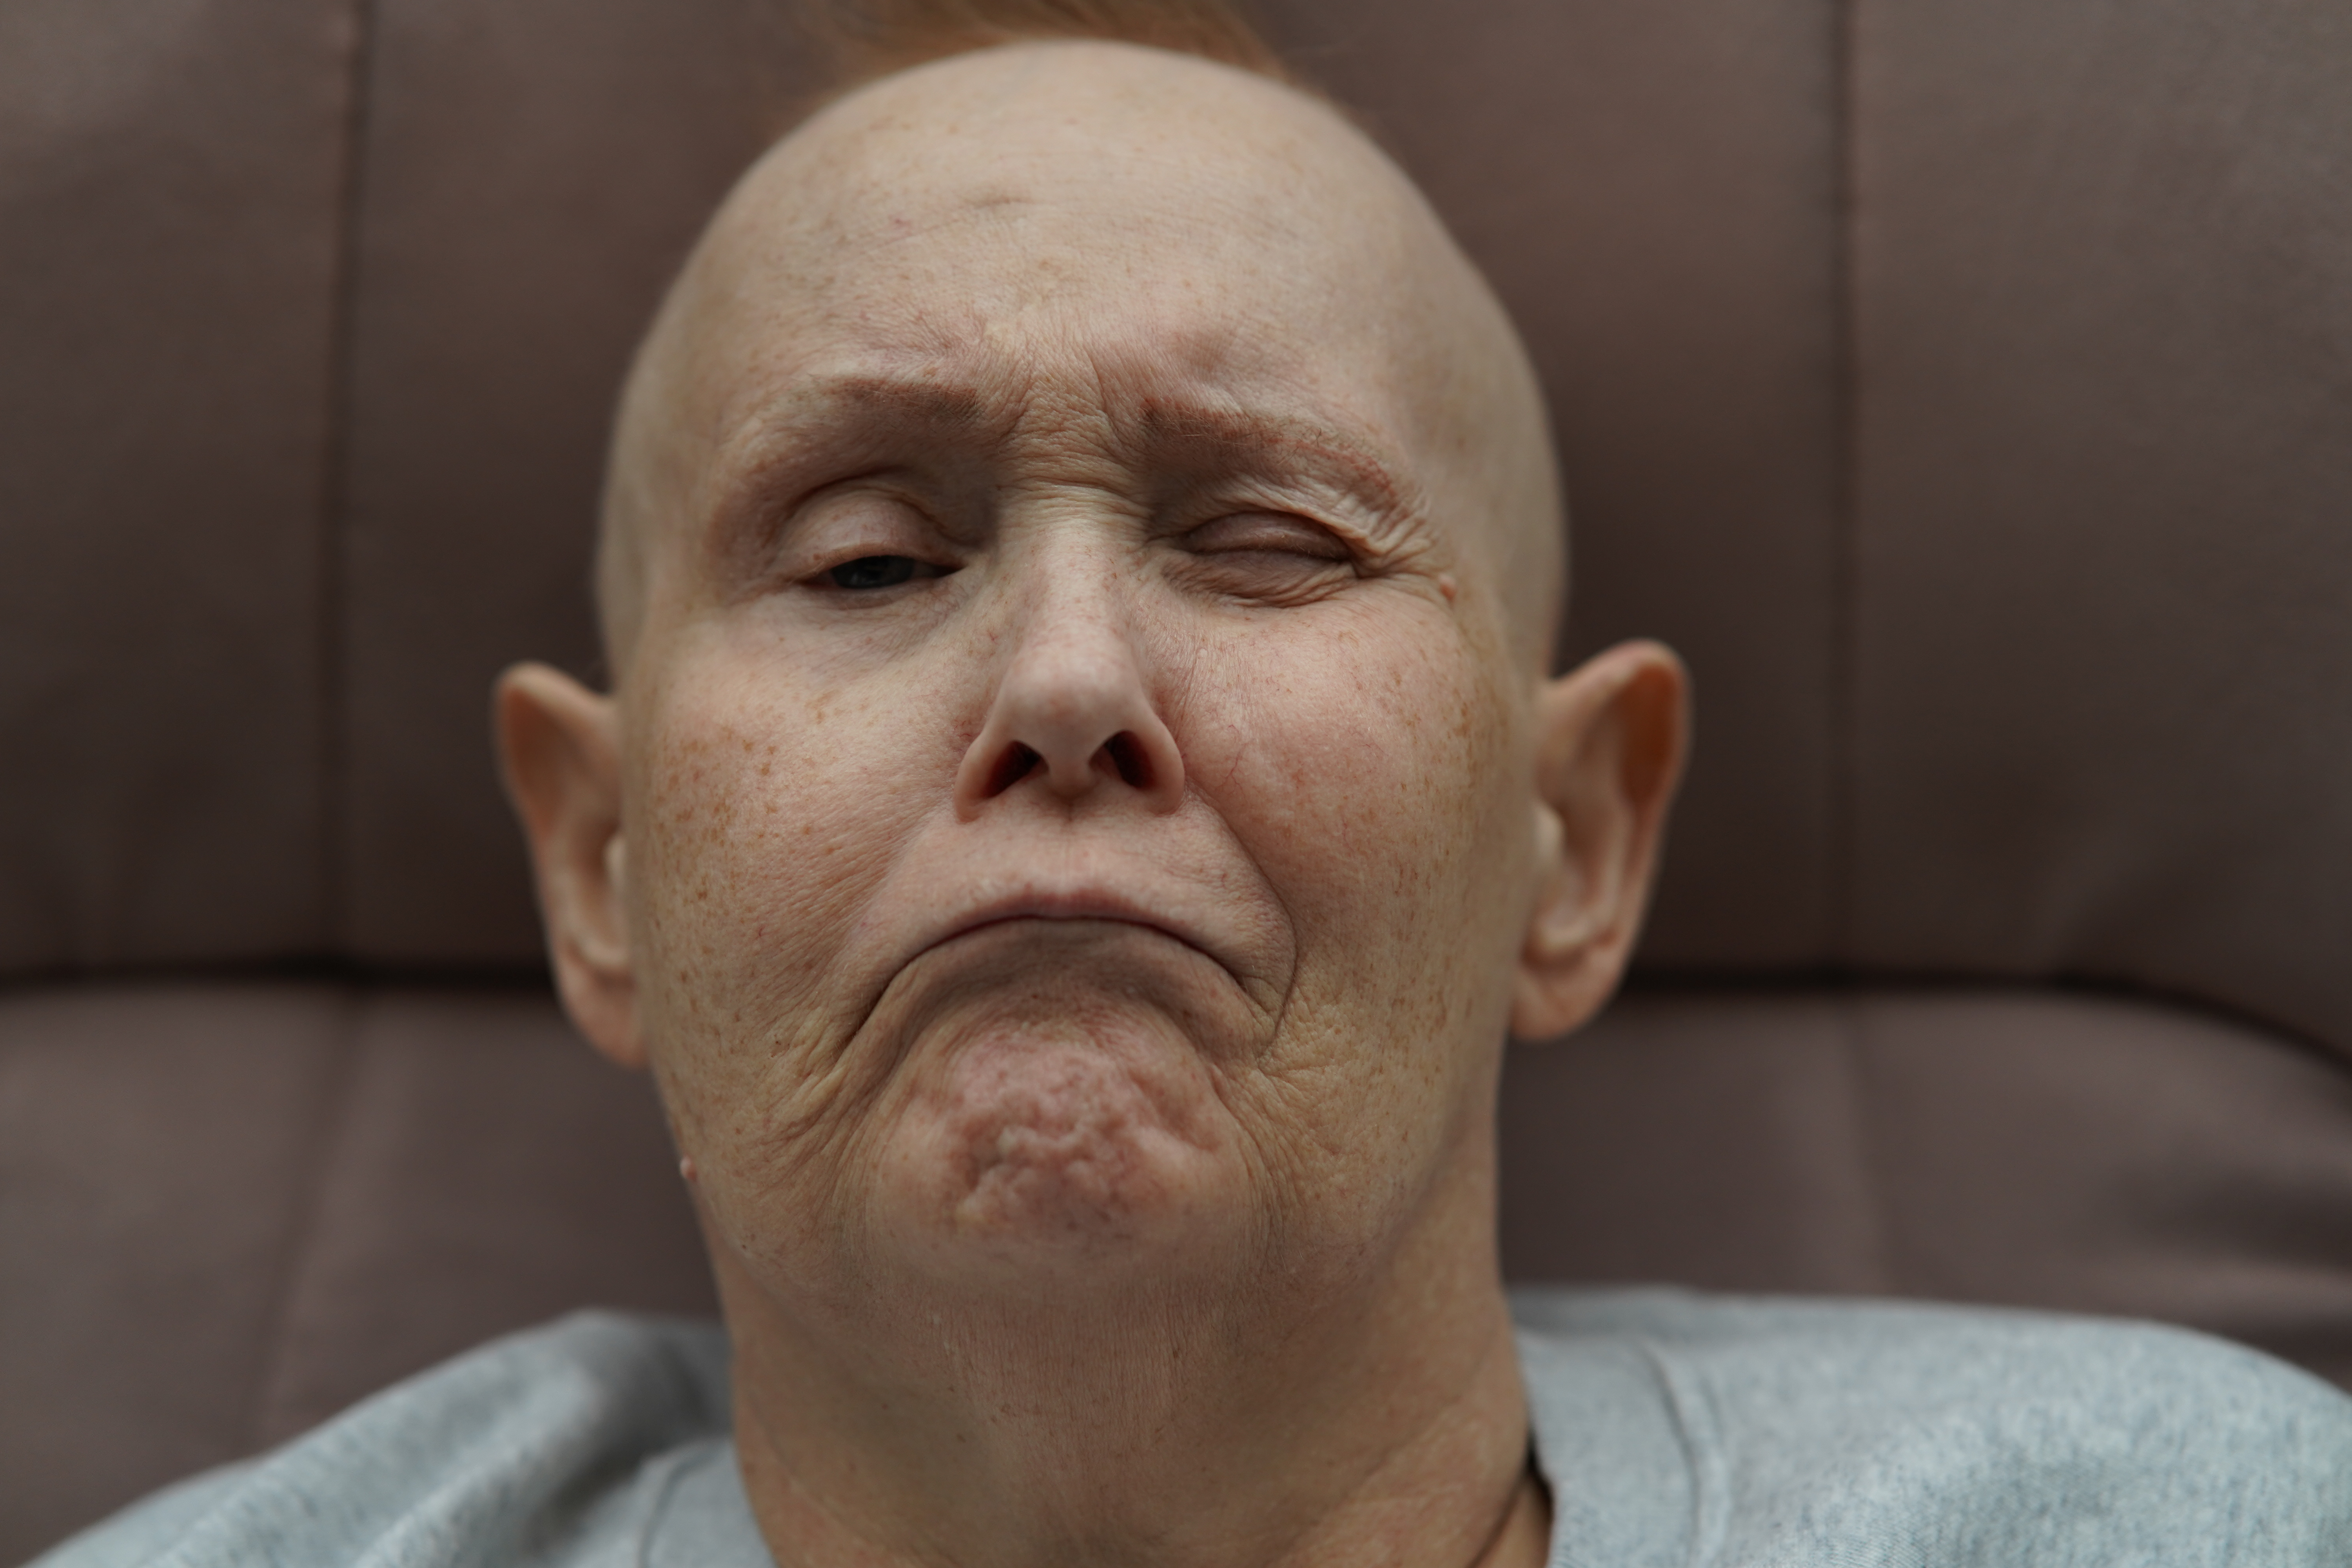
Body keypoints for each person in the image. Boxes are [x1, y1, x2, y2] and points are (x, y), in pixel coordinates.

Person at [38, 4, 2352, 1565]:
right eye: (868, 559)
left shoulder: (2196, 1520)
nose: (1066, 681)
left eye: (1267, 544)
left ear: (1575, 841)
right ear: (596, 865)